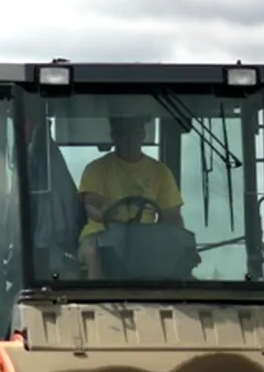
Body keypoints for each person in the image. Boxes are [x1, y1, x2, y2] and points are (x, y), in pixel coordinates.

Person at [77, 116, 185, 279]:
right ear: (113, 136)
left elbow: (173, 216)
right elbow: (93, 204)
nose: (128, 138)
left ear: (143, 134)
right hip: (102, 234)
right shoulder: (96, 169)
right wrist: (105, 212)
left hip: (148, 238)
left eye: (134, 132)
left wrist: (184, 245)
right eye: (122, 133)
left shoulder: (161, 172)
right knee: (93, 250)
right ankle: (97, 296)